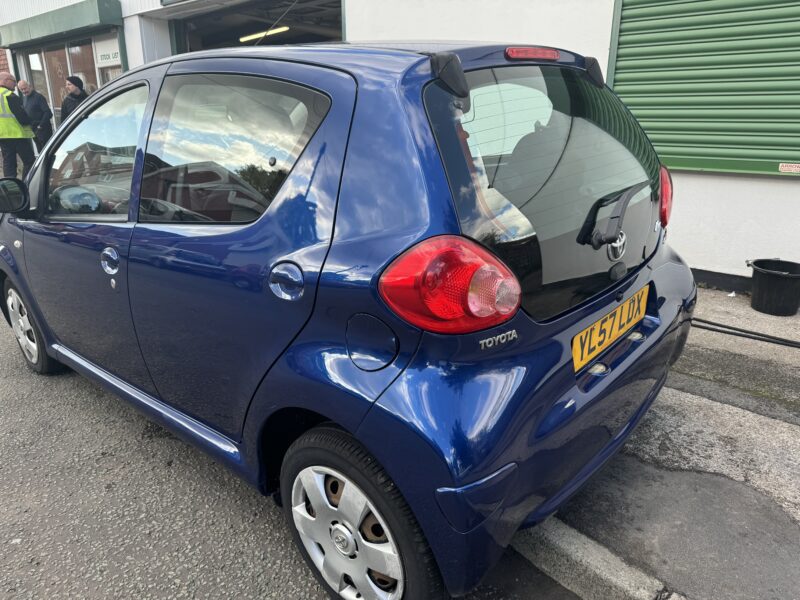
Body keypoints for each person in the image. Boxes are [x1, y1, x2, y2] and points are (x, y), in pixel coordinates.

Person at [0, 72, 35, 178]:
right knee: (29, 161)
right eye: (13, 81)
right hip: (17, 134)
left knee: (9, 163)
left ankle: (10, 188)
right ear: (5, 81)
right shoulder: (9, 95)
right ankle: (26, 183)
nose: (15, 85)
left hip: (2, 136)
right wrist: (31, 122)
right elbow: (22, 117)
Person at [17, 80, 53, 151]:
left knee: (47, 151)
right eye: (22, 90)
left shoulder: (38, 97)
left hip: (43, 130)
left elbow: (48, 113)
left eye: (25, 88)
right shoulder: (25, 98)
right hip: (34, 130)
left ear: (30, 86)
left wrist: (40, 125)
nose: (24, 91)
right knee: (40, 151)